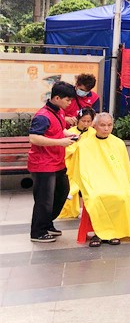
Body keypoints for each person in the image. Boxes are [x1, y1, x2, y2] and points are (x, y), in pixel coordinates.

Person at [70, 113, 130, 247]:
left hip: (115, 182)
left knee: (122, 196)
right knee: (95, 197)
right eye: (102, 125)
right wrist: (90, 183)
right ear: (94, 126)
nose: (106, 128)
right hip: (94, 183)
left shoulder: (118, 143)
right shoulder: (84, 145)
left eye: (109, 125)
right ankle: (99, 233)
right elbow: (81, 169)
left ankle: (114, 231)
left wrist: (121, 183)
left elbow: (124, 168)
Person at [27, 81, 78, 242]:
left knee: (62, 192)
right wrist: (60, 142)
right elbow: (34, 138)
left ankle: (47, 223)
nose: (70, 103)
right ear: (56, 98)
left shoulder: (59, 111)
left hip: (57, 162)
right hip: (43, 164)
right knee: (44, 200)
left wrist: (69, 135)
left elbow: (59, 129)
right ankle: (38, 232)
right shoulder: (42, 116)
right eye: (67, 100)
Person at [59, 108, 97, 220]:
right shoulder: (70, 132)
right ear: (78, 120)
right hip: (72, 163)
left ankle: (85, 209)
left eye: (88, 121)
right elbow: (66, 150)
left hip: (88, 164)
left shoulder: (93, 133)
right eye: (83, 121)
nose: (86, 124)